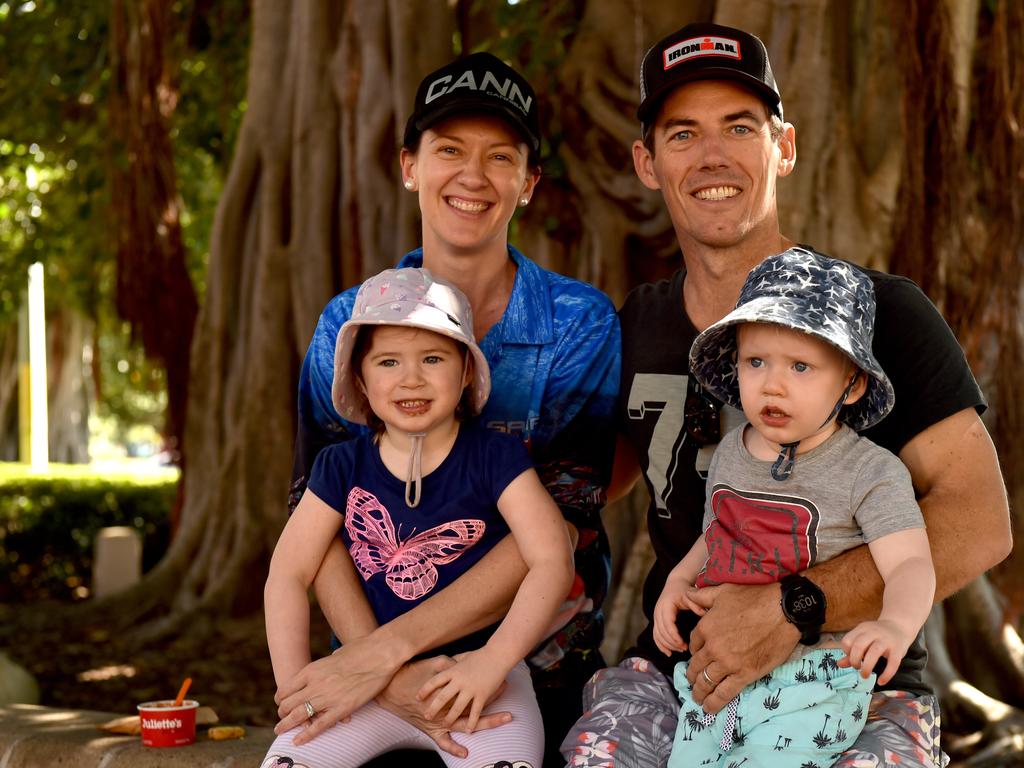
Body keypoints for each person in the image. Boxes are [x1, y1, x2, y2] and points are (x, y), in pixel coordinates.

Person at [562, 21, 1009, 768]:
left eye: (740, 127)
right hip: (686, 675)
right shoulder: (635, 324)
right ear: (646, 162)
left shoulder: (883, 315)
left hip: (860, 678)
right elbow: (566, 490)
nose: (713, 156)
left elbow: (980, 521)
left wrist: (795, 607)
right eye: (682, 134)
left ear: (786, 147)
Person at [279, 52, 621, 768]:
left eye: (501, 157)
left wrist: (399, 653)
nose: (473, 176)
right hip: (368, 674)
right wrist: (379, 667)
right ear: (409, 165)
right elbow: (314, 514)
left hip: (528, 665)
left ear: (528, 184)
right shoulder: (347, 325)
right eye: (449, 151)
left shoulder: (577, 321)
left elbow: (563, 522)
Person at [262, 269, 574, 768]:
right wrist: (297, 687)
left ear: (467, 371)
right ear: (361, 380)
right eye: (388, 362)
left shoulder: (497, 458)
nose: (412, 378)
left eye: (433, 359)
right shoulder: (341, 466)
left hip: (471, 676)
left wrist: (494, 664)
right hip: (361, 680)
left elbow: (552, 559)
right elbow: (288, 572)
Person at [652, 248, 935, 766]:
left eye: (801, 366)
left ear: (852, 383)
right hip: (718, 666)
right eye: (755, 361)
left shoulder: (868, 472)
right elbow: (718, 533)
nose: (772, 384)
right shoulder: (731, 453)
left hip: (817, 675)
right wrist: (678, 580)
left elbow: (912, 562)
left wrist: (896, 624)